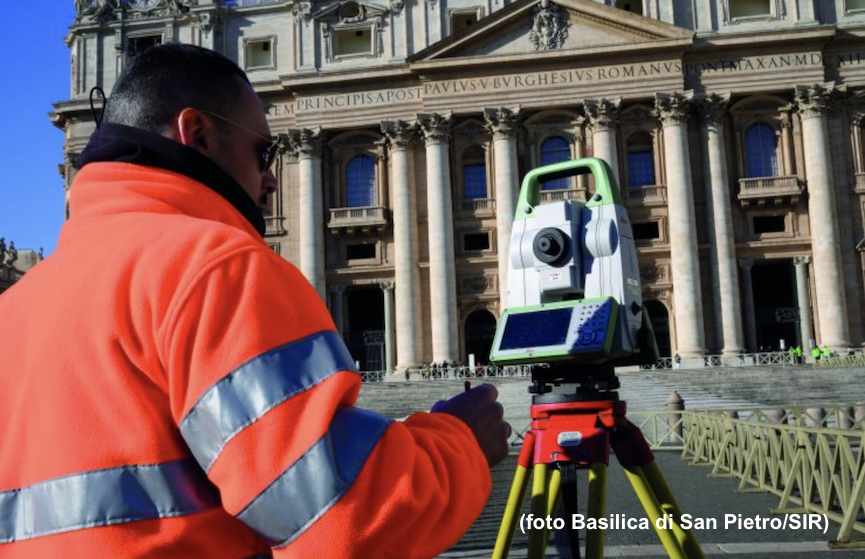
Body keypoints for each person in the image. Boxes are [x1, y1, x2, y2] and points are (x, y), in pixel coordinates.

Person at [0, 44, 509, 558]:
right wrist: (460, 443)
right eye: (262, 153)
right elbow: (345, 520)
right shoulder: (214, 267)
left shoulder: (15, 309)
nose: (270, 179)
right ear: (197, 133)